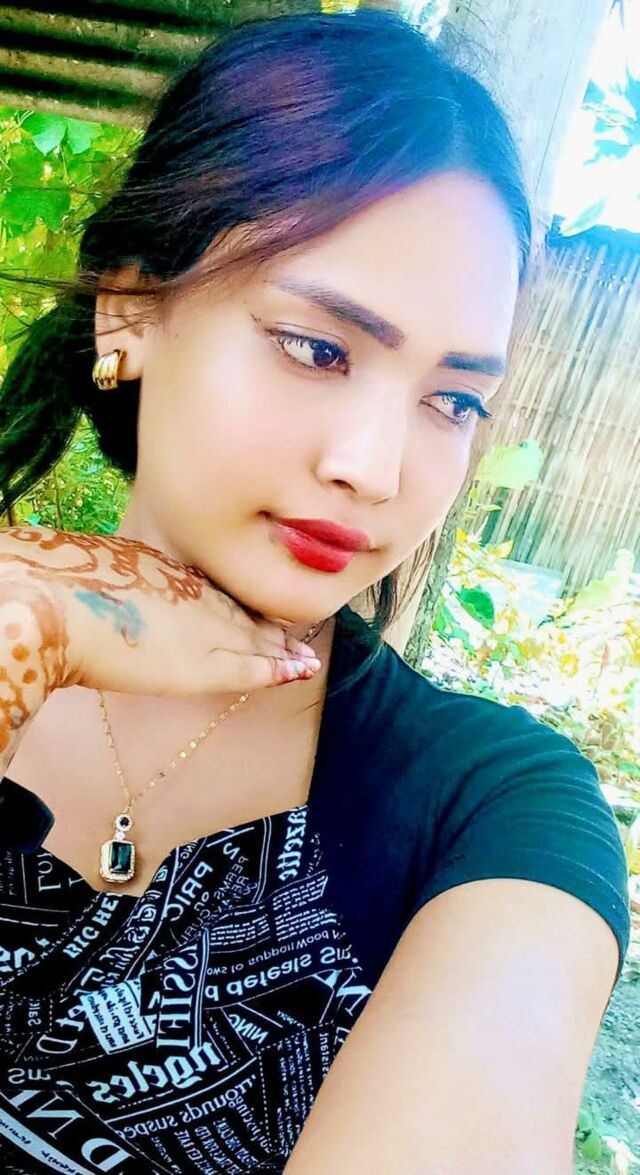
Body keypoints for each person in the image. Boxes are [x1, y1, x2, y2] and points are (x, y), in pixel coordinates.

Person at [0, 8, 630, 1174]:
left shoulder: (491, 806)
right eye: (317, 347)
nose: (375, 469)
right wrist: (21, 636)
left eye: (452, 400)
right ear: (132, 306)